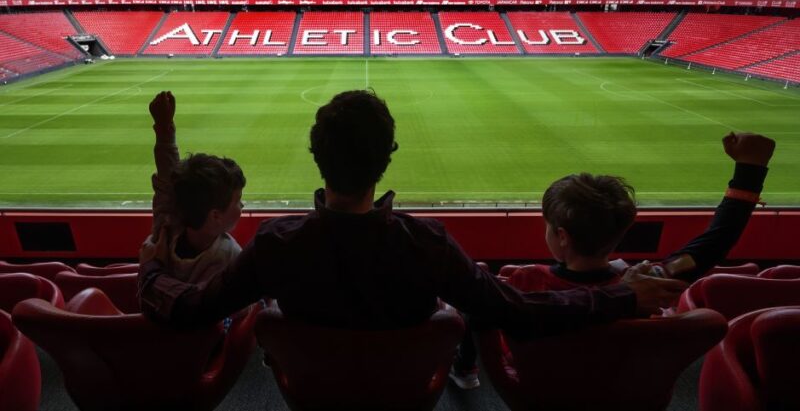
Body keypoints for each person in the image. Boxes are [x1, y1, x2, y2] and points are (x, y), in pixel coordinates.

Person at [139, 90, 685, 340]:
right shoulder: (428, 244)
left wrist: (149, 270)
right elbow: (515, 311)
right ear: (386, 161)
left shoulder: (275, 244)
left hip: (306, 391)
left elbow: (191, 310)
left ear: (317, 157)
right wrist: (620, 295)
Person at [450, 131, 774, 388]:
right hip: (625, 388)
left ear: (562, 236)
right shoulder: (653, 281)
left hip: (536, 390)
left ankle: (465, 370)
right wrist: (750, 169)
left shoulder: (523, 281)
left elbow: (480, 307)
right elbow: (715, 242)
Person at [139, 91, 246, 284]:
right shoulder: (232, 258)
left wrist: (164, 129)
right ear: (215, 216)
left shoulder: (165, 230)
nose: (242, 205)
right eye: (237, 201)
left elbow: (167, 184)